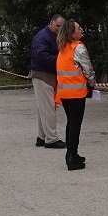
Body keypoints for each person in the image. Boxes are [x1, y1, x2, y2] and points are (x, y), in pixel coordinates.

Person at [54, 20, 95, 171]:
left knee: (71, 123)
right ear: (72, 33)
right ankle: (72, 157)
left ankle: (71, 154)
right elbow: (87, 69)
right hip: (76, 92)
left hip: (64, 92)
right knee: (75, 124)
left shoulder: (62, 48)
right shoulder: (79, 47)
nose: (81, 29)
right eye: (79, 28)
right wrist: (92, 83)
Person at [30, 15, 66, 149]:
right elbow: (42, 57)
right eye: (58, 26)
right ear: (51, 23)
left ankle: (42, 137)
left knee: (44, 108)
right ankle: (51, 139)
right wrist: (60, 60)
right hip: (43, 75)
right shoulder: (42, 37)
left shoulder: (46, 36)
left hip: (45, 75)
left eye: (61, 27)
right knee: (49, 109)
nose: (59, 29)